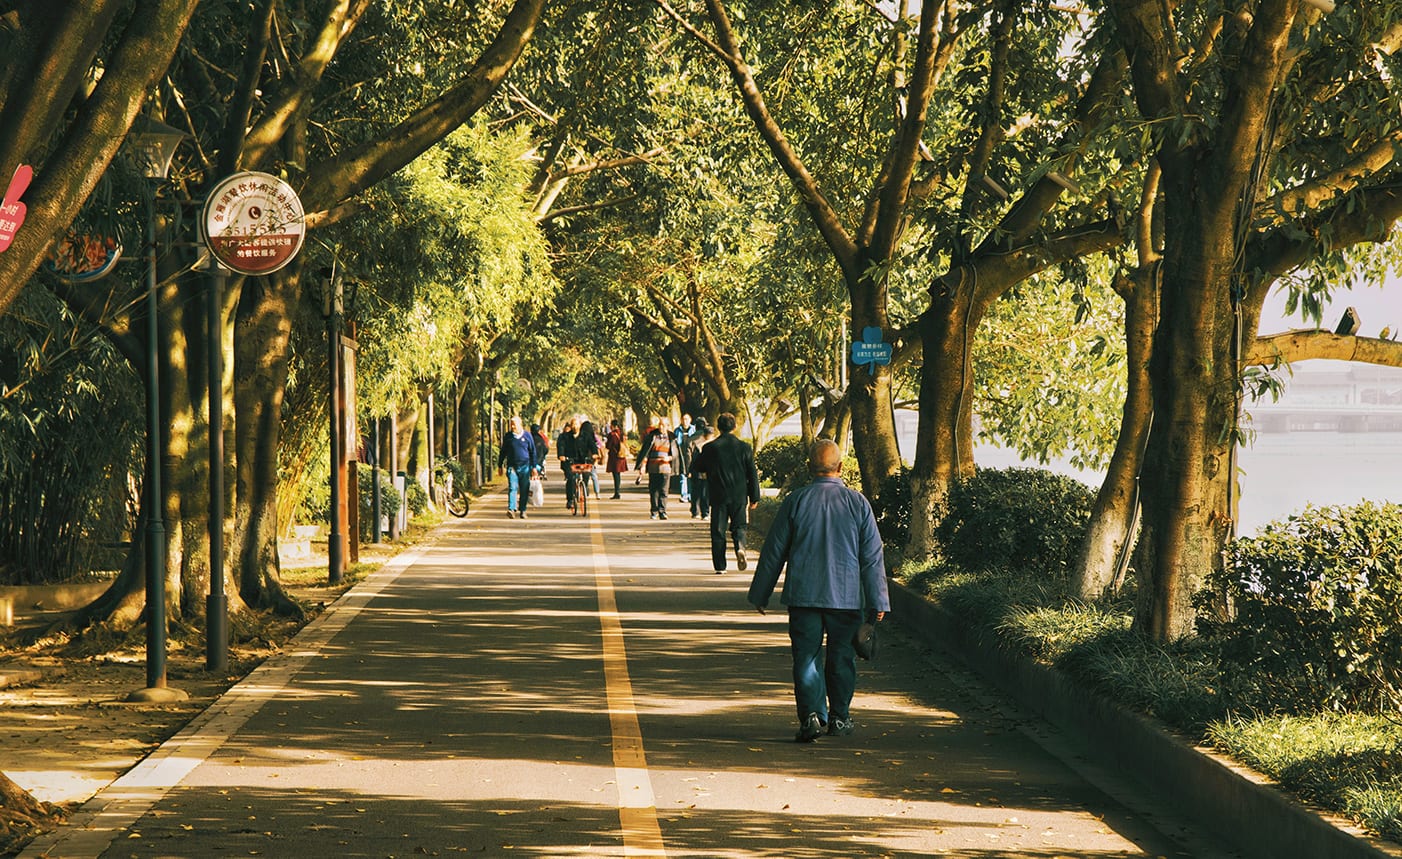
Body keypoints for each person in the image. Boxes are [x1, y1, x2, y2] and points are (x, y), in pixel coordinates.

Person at [747, 438, 889, 742]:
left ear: (809, 467)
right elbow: (872, 557)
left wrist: (761, 593)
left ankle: (811, 716)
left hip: (804, 596)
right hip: (846, 598)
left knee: (806, 658)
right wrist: (878, 600)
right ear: (840, 467)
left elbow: (774, 550)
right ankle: (839, 718)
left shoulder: (796, 501)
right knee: (841, 658)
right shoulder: (857, 503)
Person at [691, 412, 760, 573]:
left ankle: (720, 566)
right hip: (739, 495)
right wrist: (754, 496)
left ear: (718, 427)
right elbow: (752, 473)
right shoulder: (744, 447)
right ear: (735, 427)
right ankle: (740, 547)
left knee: (718, 531)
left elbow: (698, 467)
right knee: (739, 526)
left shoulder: (710, 448)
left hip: (718, 494)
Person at [635, 416, 679, 519]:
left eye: (663, 425)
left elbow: (676, 453)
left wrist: (669, 458)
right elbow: (646, 453)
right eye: (659, 424)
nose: (661, 427)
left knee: (664, 490)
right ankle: (654, 511)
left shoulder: (672, 437)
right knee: (654, 490)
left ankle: (662, 511)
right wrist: (643, 466)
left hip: (665, 468)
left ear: (668, 426)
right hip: (653, 468)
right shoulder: (652, 436)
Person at [497, 416, 536, 519]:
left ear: (520, 424)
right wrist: (499, 465)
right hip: (512, 466)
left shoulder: (527, 436)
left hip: (525, 466)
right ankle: (511, 509)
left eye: (514, 424)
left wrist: (534, 467)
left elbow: (532, 451)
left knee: (524, 489)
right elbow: (503, 451)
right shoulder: (508, 437)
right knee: (512, 487)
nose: (513, 426)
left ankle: (523, 510)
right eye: (511, 424)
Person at [569, 420, 603, 513]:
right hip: (576, 461)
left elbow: (593, 446)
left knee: (587, 475)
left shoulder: (587, 437)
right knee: (573, 478)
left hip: (586, 460)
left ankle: (584, 489)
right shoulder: (570, 436)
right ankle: (573, 496)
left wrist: (595, 454)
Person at [687, 418, 714, 519]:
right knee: (705, 493)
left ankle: (695, 511)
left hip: (696, 470)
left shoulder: (691, 440)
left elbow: (689, 457)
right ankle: (705, 512)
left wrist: (688, 470)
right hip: (706, 471)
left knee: (696, 492)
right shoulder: (711, 444)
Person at [672, 413, 698, 502]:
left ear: (690, 420)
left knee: (691, 476)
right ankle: (684, 495)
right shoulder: (677, 430)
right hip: (681, 456)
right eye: (683, 419)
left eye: (687, 419)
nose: (685, 421)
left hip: (691, 456)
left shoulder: (694, 430)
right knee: (683, 476)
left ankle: (691, 495)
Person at [556, 418, 578, 509]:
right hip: (568, 461)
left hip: (580, 461)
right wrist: (561, 455)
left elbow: (591, 444)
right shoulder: (564, 436)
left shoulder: (584, 435)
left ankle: (583, 490)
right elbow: (561, 446)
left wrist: (594, 454)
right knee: (571, 478)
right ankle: (570, 500)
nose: (575, 427)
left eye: (577, 424)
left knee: (586, 473)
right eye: (573, 425)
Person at [605, 419, 630, 499]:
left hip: (614, 457)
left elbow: (608, 446)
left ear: (612, 425)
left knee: (616, 476)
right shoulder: (622, 433)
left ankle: (617, 493)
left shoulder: (612, 435)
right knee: (618, 475)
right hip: (621, 456)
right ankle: (617, 492)